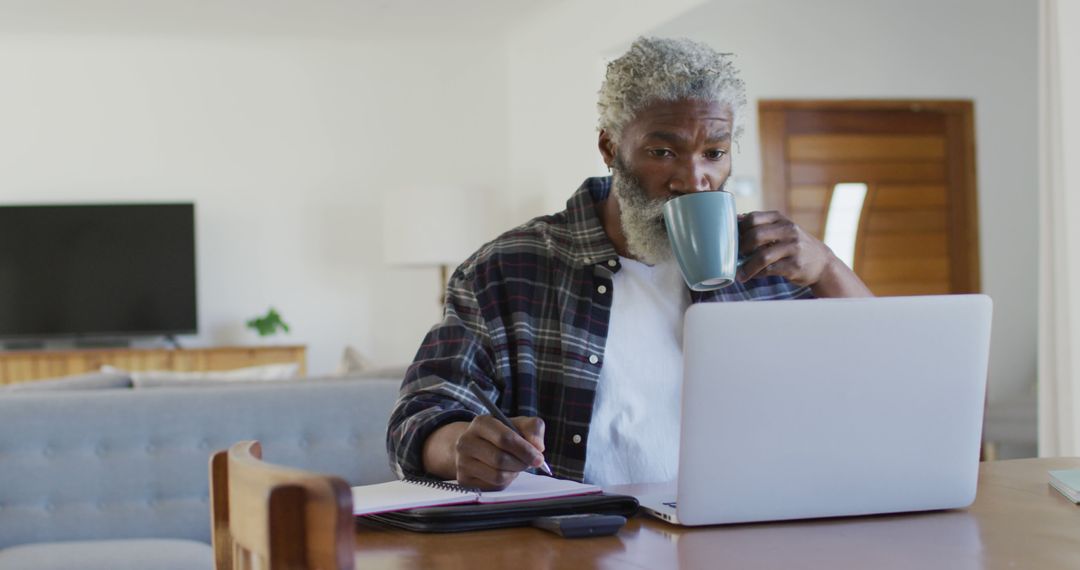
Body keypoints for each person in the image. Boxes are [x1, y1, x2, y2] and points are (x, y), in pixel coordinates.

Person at [387, 37, 872, 490]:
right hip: (577, 542)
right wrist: (458, 448)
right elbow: (419, 414)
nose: (694, 179)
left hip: (748, 532)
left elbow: (882, 382)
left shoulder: (768, 264)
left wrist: (829, 268)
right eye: (663, 151)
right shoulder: (509, 269)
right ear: (610, 148)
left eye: (714, 153)